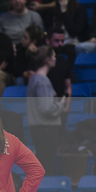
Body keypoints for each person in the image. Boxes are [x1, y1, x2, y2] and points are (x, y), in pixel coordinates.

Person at [27, 45, 69, 175]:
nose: (56, 58)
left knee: (43, 164)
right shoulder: (43, 81)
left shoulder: (34, 79)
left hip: (38, 128)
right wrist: (62, 103)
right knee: (47, 166)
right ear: (48, 60)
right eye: (54, 56)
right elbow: (47, 108)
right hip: (46, 129)